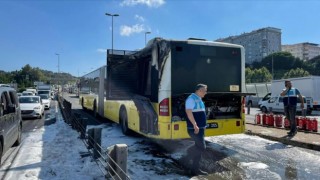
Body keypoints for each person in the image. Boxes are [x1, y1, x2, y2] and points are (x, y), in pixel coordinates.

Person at [185, 84, 208, 175]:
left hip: (200, 128)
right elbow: (189, 112)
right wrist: (195, 125)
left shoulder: (199, 99)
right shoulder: (191, 99)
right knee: (202, 147)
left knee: (199, 147)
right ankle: (186, 157)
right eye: (204, 90)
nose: (205, 93)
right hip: (194, 128)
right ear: (199, 90)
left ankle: (195, 169)